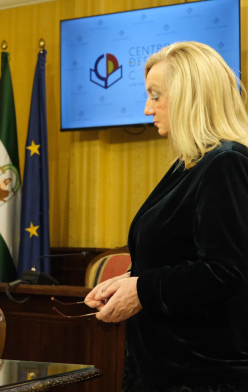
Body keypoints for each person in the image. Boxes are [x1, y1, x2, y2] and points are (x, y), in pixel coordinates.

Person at [85, 41, 248, 391]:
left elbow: (226, 270)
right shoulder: (190, 165)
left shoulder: (226, 163)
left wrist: (142, 289)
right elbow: (180, 254)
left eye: (156, 95)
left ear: (191, 95)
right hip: (162, 368)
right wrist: (129, 278)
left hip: (203, 377)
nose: (147, 109)